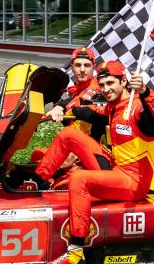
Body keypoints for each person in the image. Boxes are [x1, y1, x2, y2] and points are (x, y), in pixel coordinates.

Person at [36, 59, 154, 264]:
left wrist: (145, 91)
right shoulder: (113, 108)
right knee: (68, 135)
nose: (105, 89)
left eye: (110, 83)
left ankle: (75, 254)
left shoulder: (138, 109)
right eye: (102, 85)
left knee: (79, 179)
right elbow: (91, 111)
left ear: (124, 81)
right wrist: (62, 109)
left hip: (134, 183)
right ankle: (38, 180)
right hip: (116, 170)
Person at [32, 47, 110, 181]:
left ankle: (38, 179)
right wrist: (58, 108)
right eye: (78, 65)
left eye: (87, 65)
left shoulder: (96, 89)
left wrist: (61, 108)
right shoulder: (78, 90)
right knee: (37, 155)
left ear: (93, 67)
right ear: (72, 67)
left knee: (56, 172)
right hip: (78, 149)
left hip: (93, 153)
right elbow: (71, 100)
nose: (82, 69)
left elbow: (78, 104)